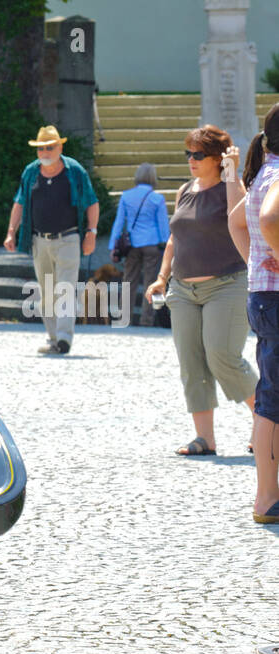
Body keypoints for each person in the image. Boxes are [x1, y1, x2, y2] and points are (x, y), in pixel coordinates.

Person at [142, 125, 255, 458]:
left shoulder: (232, 187)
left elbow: (241, 217)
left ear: (218, 158)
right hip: (182, 289)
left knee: (223, 357)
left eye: (198, 154)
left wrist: (232, 172)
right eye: (188, 153)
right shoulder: (184, 190)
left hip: (227, 285)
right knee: (192, 364)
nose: (191, 159)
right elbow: (176, 239)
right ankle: (204, 438)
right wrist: (162, 277)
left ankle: (268, 420)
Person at [4, 125, 100, 355]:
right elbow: (20, 202)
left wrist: (91, 233)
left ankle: (65, 337)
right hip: (40, 240)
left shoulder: (74, 171)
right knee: (47, 292)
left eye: (50, 147)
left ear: (60, 147)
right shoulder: (30, 172)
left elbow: (91, 202)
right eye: (41, 148)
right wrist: (11, 231)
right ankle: (53, 337)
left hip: (68, 238)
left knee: (66, 289)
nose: (45, 152)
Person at [229, 102, 279, 522]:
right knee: (273, 400)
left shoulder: (265, 170)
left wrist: (255, 262)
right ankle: (266, 498)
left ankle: (267, 496)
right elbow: (270, 217)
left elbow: (236, 221)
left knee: (271, 397)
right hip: (276, 297)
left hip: (266, 295)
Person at [110, 162, 170, 325]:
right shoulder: (157, 198)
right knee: (151, 282)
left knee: (129, 280)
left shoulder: (126, 196)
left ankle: (124, 317)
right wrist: (167, 245)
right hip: (152, 244)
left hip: (132, 245)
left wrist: (112, 245)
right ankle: (147, 319)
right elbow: (163, 224)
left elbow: (119, 221)